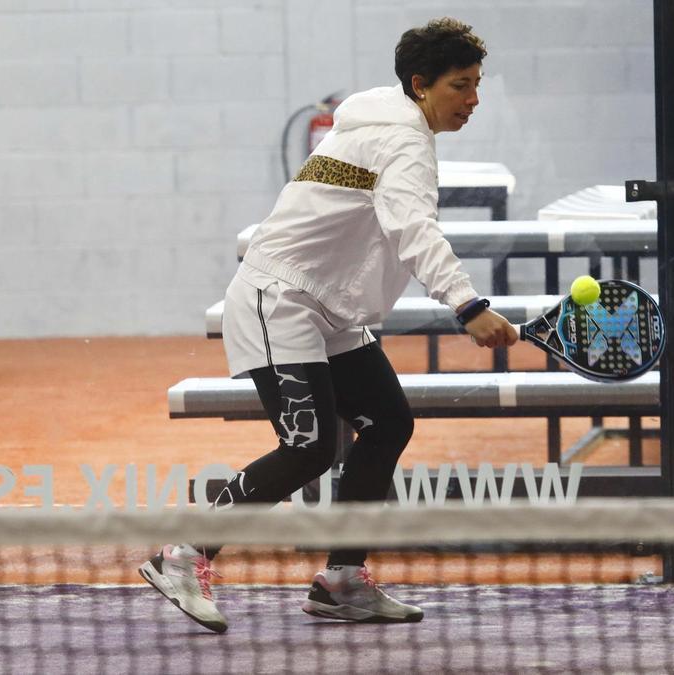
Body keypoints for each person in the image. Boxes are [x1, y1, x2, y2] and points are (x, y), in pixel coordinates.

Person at [139, 17, 516, 634]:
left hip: (331, 311)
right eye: (459, 86)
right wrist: (469, 306)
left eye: (477, 85)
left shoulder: (379, 124)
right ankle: (184, 555)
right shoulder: (402, 143)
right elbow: (411, 229)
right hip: (279, 299)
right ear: (420, 85)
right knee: (309, 446)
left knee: (389, 422)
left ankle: (341, 580)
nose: (472, 99)